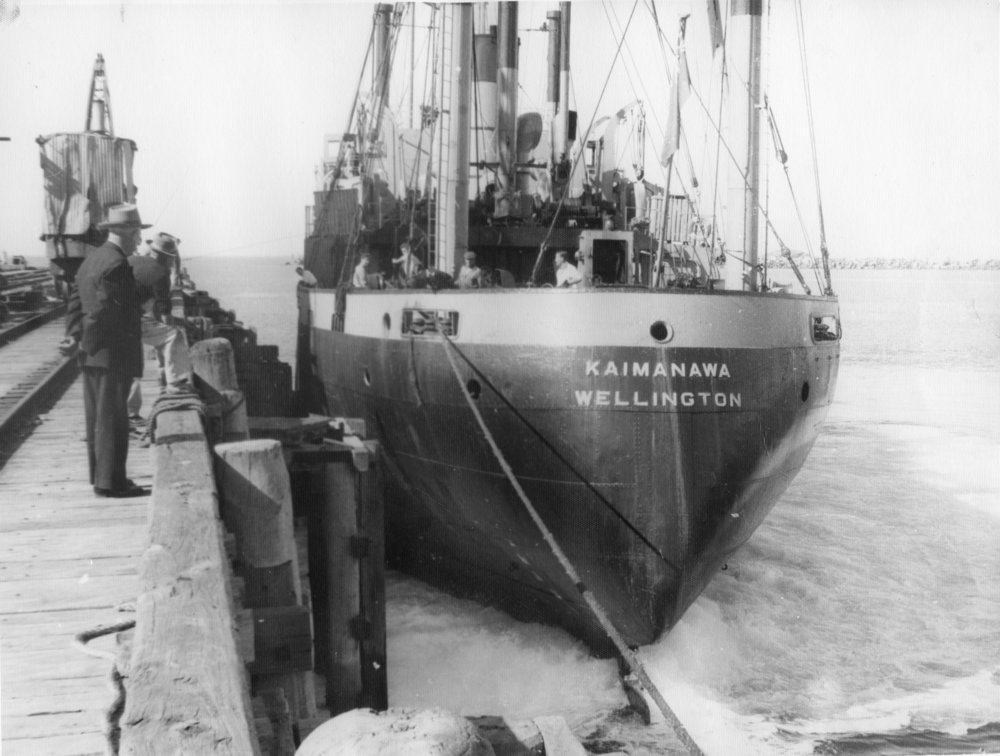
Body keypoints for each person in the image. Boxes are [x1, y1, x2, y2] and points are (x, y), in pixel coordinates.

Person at [62, 204, 147, 498]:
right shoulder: (118, 264)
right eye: (137, 235)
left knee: (97, 418)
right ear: (128, 233)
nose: (139, 241)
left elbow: (76, 302)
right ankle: (113, 483)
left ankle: (101, 478)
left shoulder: (91, 260)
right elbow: (104, 309)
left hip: (91, 353)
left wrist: (75, 337)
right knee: (113, 419)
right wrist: (89, 339)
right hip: (111, 353)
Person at [126, 232, 194, 428]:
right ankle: (175, 384)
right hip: (131, 320)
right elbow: (164, 313)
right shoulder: (161, 274)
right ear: (169, 258)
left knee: (131, 366)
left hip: (114, 318)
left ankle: (131, 414)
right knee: (174, 335)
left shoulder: (132, 260)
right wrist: (176, 324)